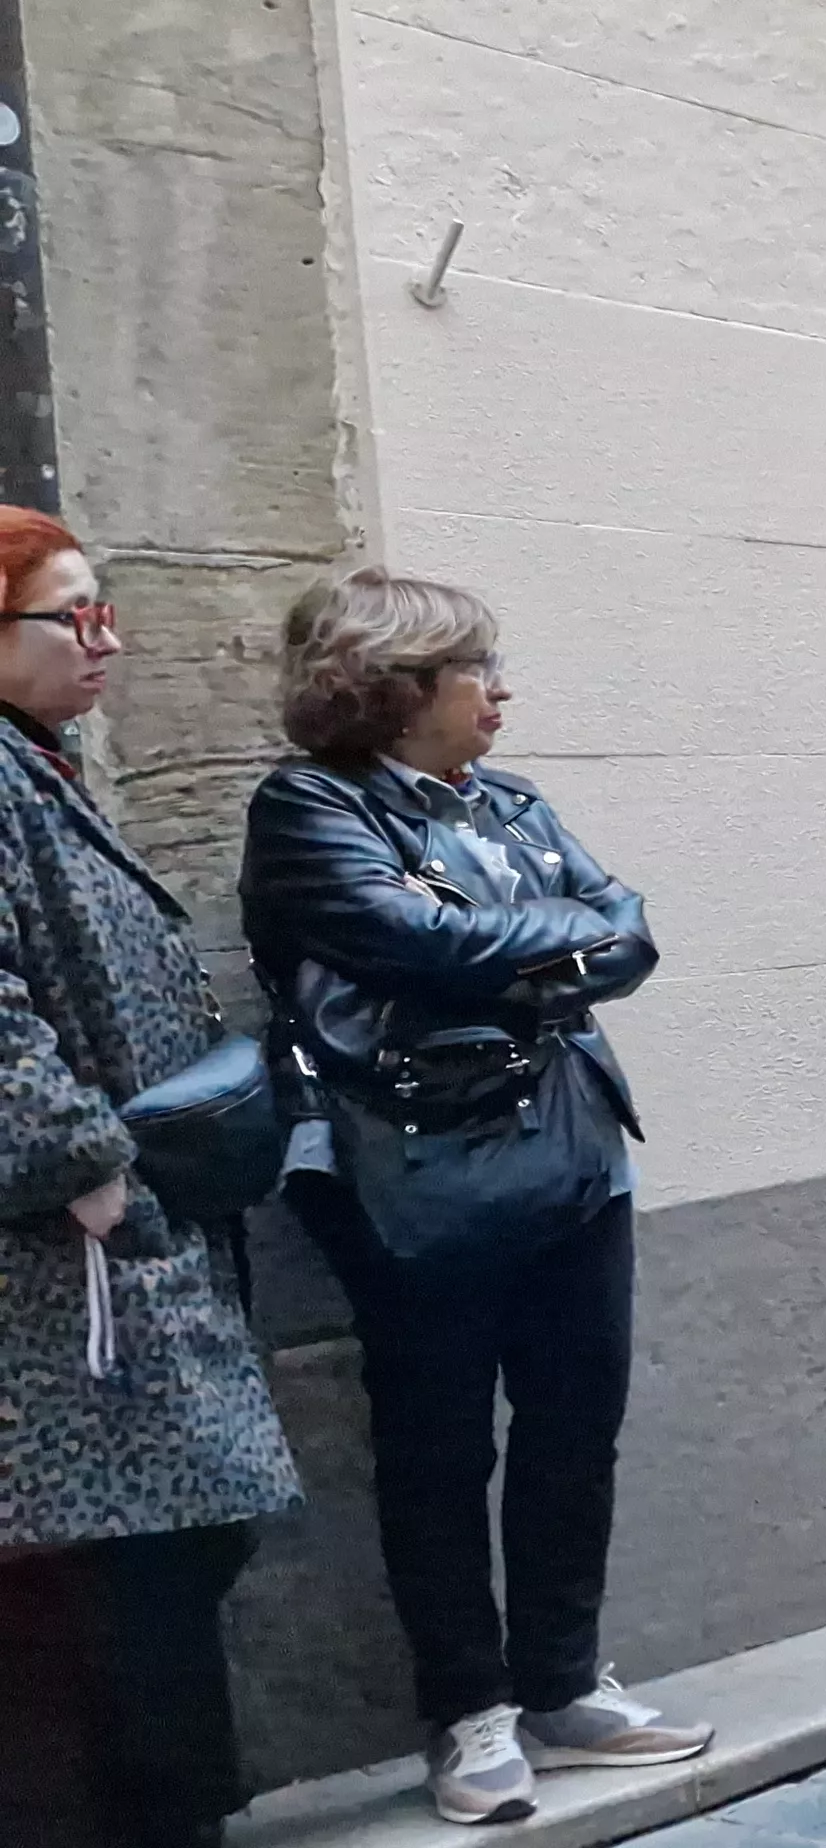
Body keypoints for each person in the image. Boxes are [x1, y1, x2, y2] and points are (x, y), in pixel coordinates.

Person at [244, 567, 710, 1826]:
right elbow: (416, 942)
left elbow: (628, 931)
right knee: (439, 1447)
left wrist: (506, 952)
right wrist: (545, 947)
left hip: (571, 1155)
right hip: (410, 1172)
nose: (500, 692)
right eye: (474, 671)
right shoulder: (310, 809)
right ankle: (468, 1711)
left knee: (574, 1428)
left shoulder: (510, 799)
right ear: (393, 689)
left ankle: (561, 1685)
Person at [0, 508, 301, 1848]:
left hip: (113, 1249)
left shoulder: (36, 766)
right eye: (75, 615)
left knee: (167, 1561)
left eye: (104, 609)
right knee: (130, 1589)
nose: (104, 639)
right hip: (66, 1264)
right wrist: (83, 1162)